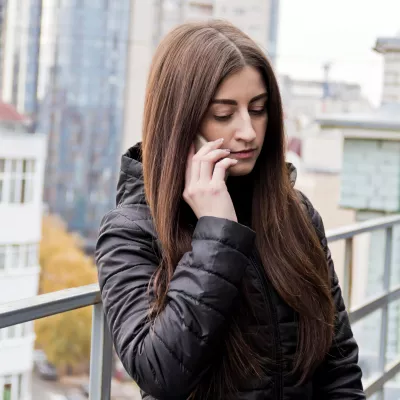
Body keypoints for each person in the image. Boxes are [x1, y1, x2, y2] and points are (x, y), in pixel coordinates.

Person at [95, 20, 365, 400]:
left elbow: (339, 370)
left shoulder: (295, 214)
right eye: (224, 114)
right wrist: (216, 231)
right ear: (180, 123)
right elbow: (158, 372)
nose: (249, 131)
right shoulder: (132, 229)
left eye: (258, 109)